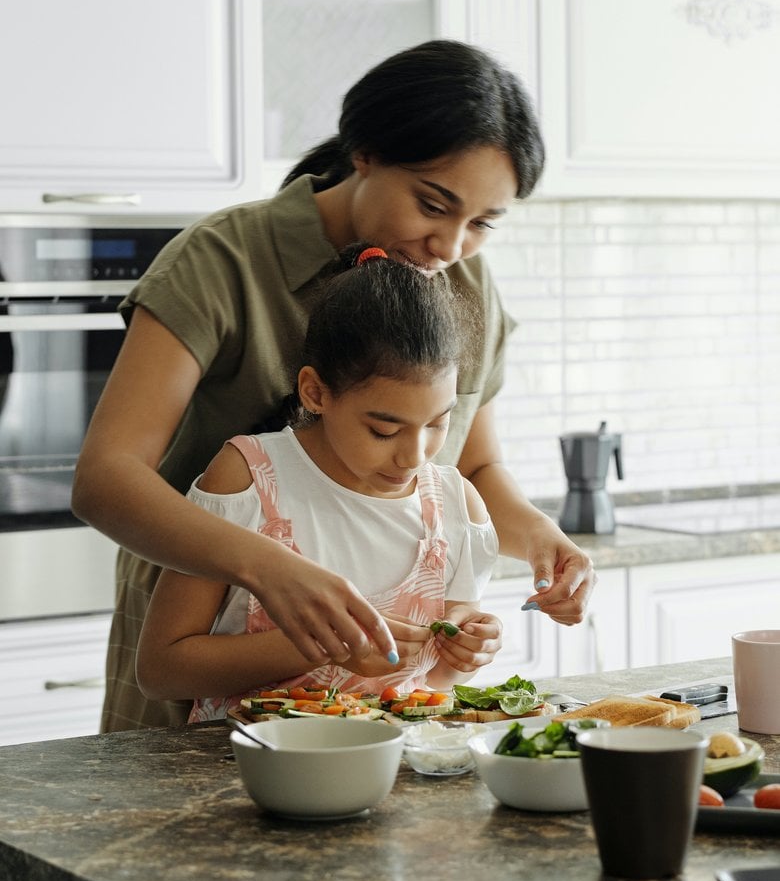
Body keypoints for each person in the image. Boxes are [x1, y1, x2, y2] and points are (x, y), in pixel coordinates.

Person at [72, 38, 596, 733]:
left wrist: (539, 539)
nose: (450, 245)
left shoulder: (463, 282)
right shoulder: (222, 260)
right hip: (203, 645)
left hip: (373, 703)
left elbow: (471, 466)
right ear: (366, 153)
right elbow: (106, 478)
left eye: (481, 224)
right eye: (433, 204)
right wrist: (270, 570)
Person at [135, 247, 503, 720]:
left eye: (438, 423)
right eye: (384, 430)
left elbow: (436, 682)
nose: (415, 456)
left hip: (395, 773)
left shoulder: (456, 507)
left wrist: (466, 653)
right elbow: (160, 670)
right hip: (245, 772)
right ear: (315, 392)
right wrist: (321, 646)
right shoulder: (248, 479)